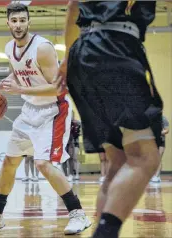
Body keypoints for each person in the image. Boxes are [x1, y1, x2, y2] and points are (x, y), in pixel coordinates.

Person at [0, 3, 91, 235]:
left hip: (53, 112)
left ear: (28, 22)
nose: (18, 25)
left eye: (22, 20)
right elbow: (18, 72)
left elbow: (59, 89)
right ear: (8, 23)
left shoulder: (42, 48)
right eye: (14, 21)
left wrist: (19, 90)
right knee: (9, 162)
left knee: (43, 164)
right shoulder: (9, 48)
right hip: (29, 111)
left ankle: (79, 214)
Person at [56, 1, 163, 238]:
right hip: (115, 48)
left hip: (81, 54)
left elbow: (73, 5)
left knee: (119, 160)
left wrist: (66, 59)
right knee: (146, 157)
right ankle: (104, 234)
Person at [150, 116, 169, 183]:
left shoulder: (163, 118)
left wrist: (158, 133)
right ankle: (153, 176)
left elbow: (167, 130)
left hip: (161, 141)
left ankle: (157, 176)